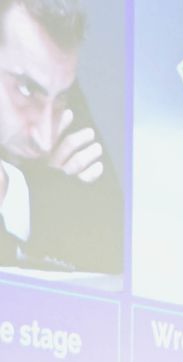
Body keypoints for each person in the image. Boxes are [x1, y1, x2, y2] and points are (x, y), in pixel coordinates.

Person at [0, 0, 123, 273]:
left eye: (61, 98)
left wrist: (24, 189)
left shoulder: (50, 76)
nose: (46, 139)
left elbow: (113, 243)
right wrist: (41, 194)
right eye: (25, 90)